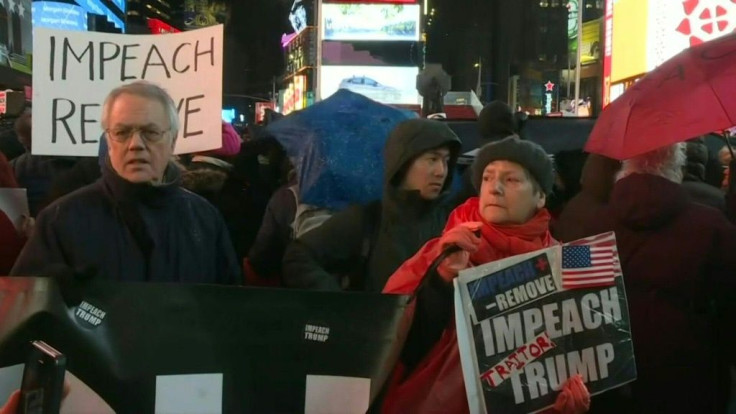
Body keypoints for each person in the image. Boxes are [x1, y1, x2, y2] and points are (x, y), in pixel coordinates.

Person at [381, 136, 589, 413]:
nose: (495, 189)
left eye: (511, 180)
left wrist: (564, 403)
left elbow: (579, 346)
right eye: (488, 178)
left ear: (540, 196)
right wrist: (441, 282)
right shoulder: (443, 250)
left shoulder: (564, 260)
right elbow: (391, 340)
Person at [561, 144, 736, 413]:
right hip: (689, 383)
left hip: (611, 382)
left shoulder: (592, 224)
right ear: (678, 168)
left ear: (625, 168)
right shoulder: (711, 225)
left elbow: (574, 294)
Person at [11, 81, 240, 284]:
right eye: (122, 132)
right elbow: (24, 315)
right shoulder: (58, 221)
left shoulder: (205, 219)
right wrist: (45, 296)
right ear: (109, 141)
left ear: (172, 140)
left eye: (150, 132)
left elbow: (228, 310)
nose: (135, 144)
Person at [282, 118, 462, 292]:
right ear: (403, 163)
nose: (441, 171)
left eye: (446, 161)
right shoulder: (367, 219)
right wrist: (338, 304)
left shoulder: (452, 221)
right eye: (432, 159)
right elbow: (298, 256)